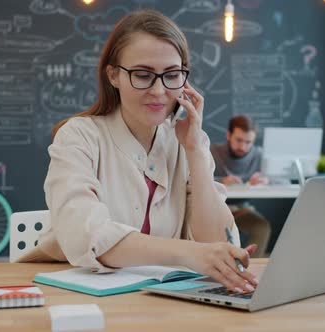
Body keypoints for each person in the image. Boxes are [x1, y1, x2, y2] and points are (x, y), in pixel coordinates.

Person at [20, 9, 258, 292]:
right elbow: (87, 235)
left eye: (172, 75)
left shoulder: (189, 141)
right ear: (113, 75)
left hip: (155, 298)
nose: (158, 91)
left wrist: (194, 149)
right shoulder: (78, 136)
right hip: (69, 290)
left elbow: (219, 243)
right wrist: (185, 252)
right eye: (143, 75)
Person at [210, 115, 271, 258]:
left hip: (241, 209)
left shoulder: (259, 155)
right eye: (238, 140)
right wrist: (221, 181)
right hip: (215, 208)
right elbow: (194, 178)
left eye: (248, 142)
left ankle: (250, 270)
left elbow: (284, 181)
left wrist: (265, 180)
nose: (243, 147)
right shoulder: (212, 151)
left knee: (261, 227)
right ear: (228, 135)